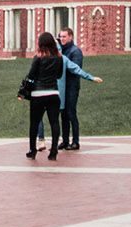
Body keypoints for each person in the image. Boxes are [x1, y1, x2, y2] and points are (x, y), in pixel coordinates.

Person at [18, 32, 101, 162]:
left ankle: (32, 150)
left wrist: (22, 92)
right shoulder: (60, 57)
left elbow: (31, 75)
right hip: (53, 93)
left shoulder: (38, 57)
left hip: (38, 94)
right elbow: (58, 75)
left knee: (34, 123)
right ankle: (54, 151)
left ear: (41, 43)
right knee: (54, 123)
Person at [57, 28, 84, 151]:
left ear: (70, 37)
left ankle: (76, 141)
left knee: (71, 113)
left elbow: (75, 69)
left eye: (64, 37)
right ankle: (65, 140)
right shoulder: (61, 50)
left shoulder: (75, 51)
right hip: (62, 87)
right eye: (60, 37)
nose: (62, 39)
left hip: (72, 87)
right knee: (63, 114)